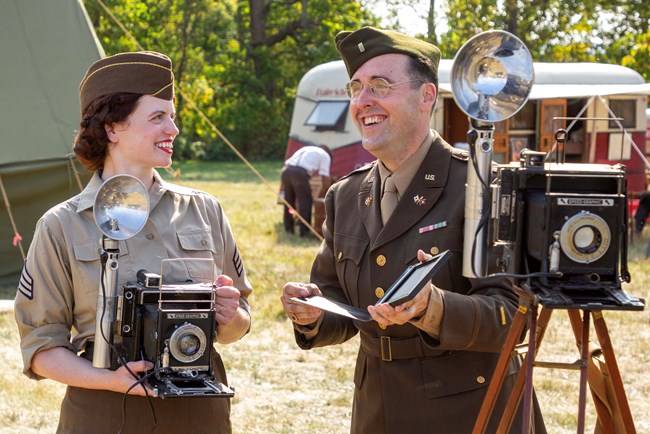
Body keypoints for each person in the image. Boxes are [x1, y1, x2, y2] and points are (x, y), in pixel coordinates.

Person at [280, 27, 545, 433]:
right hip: (377, 410)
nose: (362, 100)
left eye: (380, 85)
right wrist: (312, 313)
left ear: (426, 97)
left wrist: (432, 308)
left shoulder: (480, 188)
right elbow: (342, 305)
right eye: (356, 87)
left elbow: (515, 317)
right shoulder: (346, 195)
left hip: (469, 412)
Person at [13, 51, 252, 434]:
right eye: (158, 117)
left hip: (198, 411)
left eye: (172, 117)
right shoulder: (61, 225)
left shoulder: (204, 210)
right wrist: (110, 379)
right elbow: (41, 349)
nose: (173, 129)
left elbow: (238, 325)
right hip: (103, 412)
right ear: (112, 128)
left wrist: (231, 314)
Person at [280, 144, 332, 236]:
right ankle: (305, 231)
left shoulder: (306, 149)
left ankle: (288, 228)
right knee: (306, 202)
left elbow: (288, 163)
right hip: (299, 174)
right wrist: (330, 195)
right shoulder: (325, 156)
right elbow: (325, 180)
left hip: (286, 171)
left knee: (289, 202)